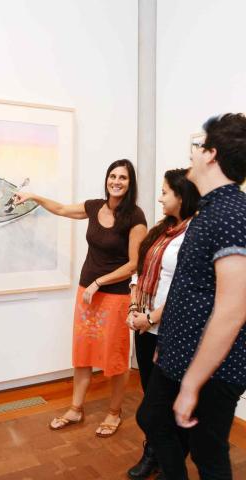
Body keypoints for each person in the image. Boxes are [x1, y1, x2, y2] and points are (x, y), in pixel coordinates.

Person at [137, 113, 246, 480]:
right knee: (152, 417)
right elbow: (190, 288)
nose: (193, 154)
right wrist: (166, 345)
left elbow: (232, 310)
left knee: (208, 455)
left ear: (212, 154)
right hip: (180, 353)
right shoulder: (209, 209)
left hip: (215, 368)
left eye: (198, 147)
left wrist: (192, 383)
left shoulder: (233, 214)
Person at [15, 159, 147, 436]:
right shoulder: (94, 206)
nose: (117, 181)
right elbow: (62, 209)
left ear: (130, 183)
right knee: (83, 352)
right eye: (113, 176)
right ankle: (75, 409)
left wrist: (99, 282)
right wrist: (34, 196)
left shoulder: (135, 216)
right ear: (107, 179)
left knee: (116, 356)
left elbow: (134, 263)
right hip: (87, 293)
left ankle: (114, 412)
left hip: (114, 295)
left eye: (123, 177)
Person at [126, 169, 200, 480]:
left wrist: (153, 316)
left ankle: (166, 458)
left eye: (165, 192)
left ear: (181, 197)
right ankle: (155, 451)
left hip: (170, 329)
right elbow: (141, 271)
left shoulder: (195, 233)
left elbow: (188, 287)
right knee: (150, 396)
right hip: (144, 327)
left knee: (163, 404)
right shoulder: (162, 230)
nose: (160, 197)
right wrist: (134, 308)